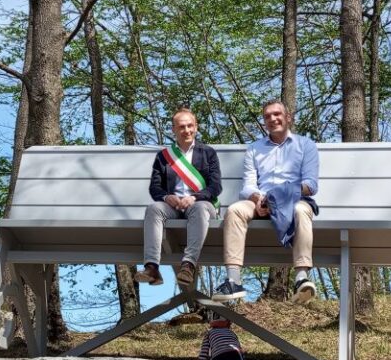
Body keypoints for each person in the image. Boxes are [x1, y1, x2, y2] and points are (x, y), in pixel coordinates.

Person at [214, 100, 319, 304]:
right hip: (260, 201)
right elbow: (248, 186)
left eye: (277, 114)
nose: (273, 119)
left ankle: (301, 278)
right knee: (235, 209)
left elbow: (310, 185)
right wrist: (258, 198)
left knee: (301, 210)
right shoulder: (255, 148)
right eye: (267, 116)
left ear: (288, 117)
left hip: (293, 200)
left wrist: (279, 197)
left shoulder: (305, 145)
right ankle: (233, 280)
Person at [134, 108, 222, 290]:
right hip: (174, 207)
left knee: (199, 208)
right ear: (174, 129)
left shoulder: (208, 153)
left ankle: (188, 265)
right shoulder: (164, 157)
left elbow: (215, 187)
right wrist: (167, 197)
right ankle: (152, 267)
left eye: (190, 126)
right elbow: (155, 188)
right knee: (153, 208)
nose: (187, 130)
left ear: (196, 127)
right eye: (181, 127)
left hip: (201, 204)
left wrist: (195, 197)